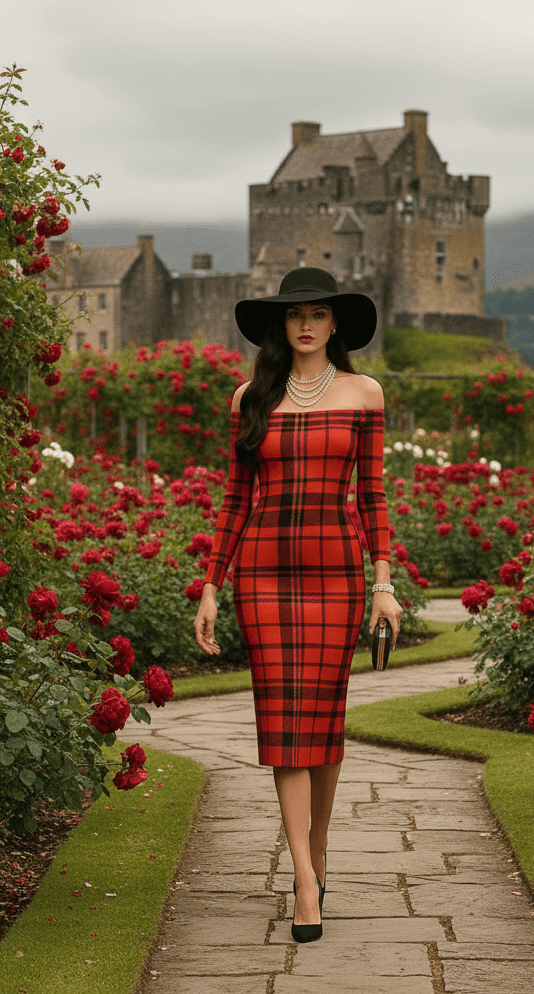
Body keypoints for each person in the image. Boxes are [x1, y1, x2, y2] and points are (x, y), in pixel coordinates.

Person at [193, 267, 401, 943]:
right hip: (264, 576)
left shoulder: (364, 394)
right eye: (294, 315)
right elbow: (234, 501)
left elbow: (373, 498)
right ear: (281, 327)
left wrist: (384, 583)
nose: (306, 325)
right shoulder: (250, 398)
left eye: (317, 313)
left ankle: (316, 853)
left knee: (324, 720)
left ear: (335, 322)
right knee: (285, 723)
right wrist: (212, 586)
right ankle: (305, 882)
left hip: (337, 574)